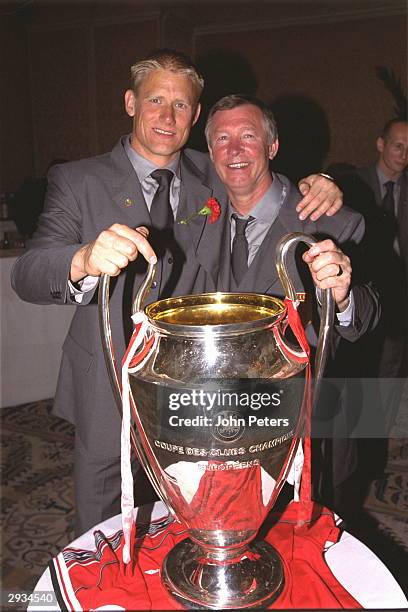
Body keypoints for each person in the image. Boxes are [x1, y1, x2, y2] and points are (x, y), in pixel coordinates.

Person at [11, 49, 344, 536]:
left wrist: (326, 184)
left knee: (193, 510)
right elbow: (28, 274)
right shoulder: (78, 180)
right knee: (105, 515)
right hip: (110, 383)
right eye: (156, 100)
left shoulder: (212, 173)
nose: (168, 117)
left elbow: (265, 175)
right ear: (130, 102)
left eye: (182, 105)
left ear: (196, 115)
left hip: (195, 388)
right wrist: (82, 259)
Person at [203, 93, 380, 513]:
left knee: (307, 553)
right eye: (222, 139)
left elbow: (370, 317)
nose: (234, 150)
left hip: (306, 430)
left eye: (248, 136)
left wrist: (343, 295)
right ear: (209, 153)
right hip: (218, 427)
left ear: (272, 146)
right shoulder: (197, 218)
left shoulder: (332, 220)